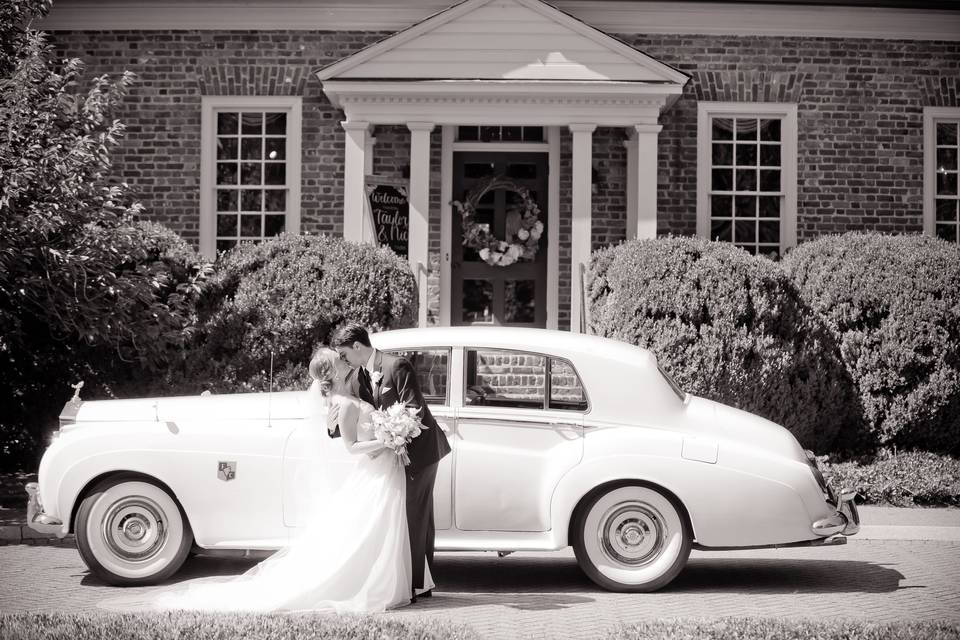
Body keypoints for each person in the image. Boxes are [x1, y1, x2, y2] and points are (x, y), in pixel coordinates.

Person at [99, 346, 430, 613]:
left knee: (375, 528)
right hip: (376, 466)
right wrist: (389, 440)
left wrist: (390, 432)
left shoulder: (353, 389)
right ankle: (370, 584)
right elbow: (352, 446)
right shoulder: (343, 404)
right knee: (367, 530)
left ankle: (387, 581)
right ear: (334, 370)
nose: (346, 360)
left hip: (382, 468)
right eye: (339, 358)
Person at [330, 322, 452, 601]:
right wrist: (332, 425)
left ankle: (416, 583)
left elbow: (415, 410)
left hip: (420, 451)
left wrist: (394, 432)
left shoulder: (396, 366)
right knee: (404, 516)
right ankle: (416, 581)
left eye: (344, 353)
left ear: (357, 347)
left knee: (415, 515)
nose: (343, 359)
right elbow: (354, 414)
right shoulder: (355, 377)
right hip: (390, 452)